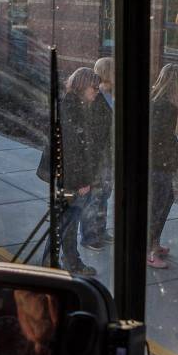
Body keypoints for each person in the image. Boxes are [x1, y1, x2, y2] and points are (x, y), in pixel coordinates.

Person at [57, 67, 103, 276]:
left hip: (69, 177)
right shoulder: (72, 109)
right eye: (94, 88)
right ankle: (71, 263)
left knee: (64, 222)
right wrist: (82, 182)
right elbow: (74, 150)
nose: (97, 92)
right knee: (68, 223)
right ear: (83, 86)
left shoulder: (73, 105)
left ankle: (54, 262)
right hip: (73, 180)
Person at [148, 63, 178, 269]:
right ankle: (149, 250)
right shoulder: (166, 106)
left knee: (166, 200)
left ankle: (154, 243)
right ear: (175, 82)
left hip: (158, 163)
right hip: (159, 164)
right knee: (157, 207)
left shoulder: (156, 99)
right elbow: (159, 138)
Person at [81, 56, 114, 250]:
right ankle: (89, 236)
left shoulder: (112, 95)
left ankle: (100, 230)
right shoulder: (96, 97)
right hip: (98, 156)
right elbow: (93, 131)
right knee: (94, 197)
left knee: (105, 195)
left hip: (109, 155)